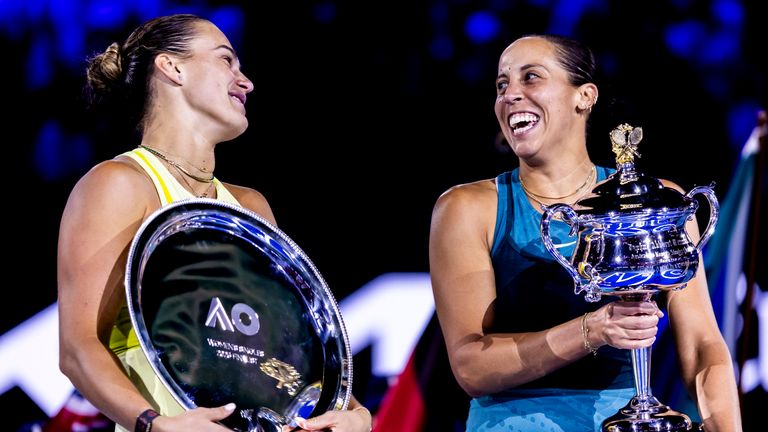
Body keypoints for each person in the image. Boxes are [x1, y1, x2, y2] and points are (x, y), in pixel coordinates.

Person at [57, 14, 372, 432]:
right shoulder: (118, 186)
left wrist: (353, 411)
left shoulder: (250, 206)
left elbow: (288, 351)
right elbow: (78, 348)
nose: (247, 82)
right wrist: (155, 424)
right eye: (227, 61)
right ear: (172, 67)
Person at [428, 34, 742, 431]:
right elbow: (471, 367)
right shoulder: (467, 209)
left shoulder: (656, 204)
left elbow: (702, 346)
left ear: (585, 96)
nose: (511, 95)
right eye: (502, 84)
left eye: (531, 78)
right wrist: (592, 330)